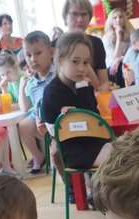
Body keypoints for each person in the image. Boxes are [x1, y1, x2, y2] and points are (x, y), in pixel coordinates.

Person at [41, 32, 114, 171]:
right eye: (75, 61)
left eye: (86, 63)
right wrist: (63, 120)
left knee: (129, 148)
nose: (82, 68)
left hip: (97, 142)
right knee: (121, 156)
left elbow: (94, 116)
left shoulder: (84, 85)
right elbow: (49, 128)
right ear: (60, 60)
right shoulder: (52, 92)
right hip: (75, 151)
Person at [19, 30, 55, 174]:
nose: (33, 59)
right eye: (28, 55)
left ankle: (53, 156)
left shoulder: (57, 74)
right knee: (23, 125)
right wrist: (22, 86)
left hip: (55, 115)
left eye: (38, 53)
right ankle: (37, 156)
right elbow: (25, 108)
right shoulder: (31, 82)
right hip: (38, 116)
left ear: (51, 52)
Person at [55, 0, 111, 91]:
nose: (80, 19)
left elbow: (104, 82)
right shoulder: (55, 45)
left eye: (84, 14)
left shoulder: (96, 43)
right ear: (65, 17)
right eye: (74, 14)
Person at [103, 8, 131, 87]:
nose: (118, 20)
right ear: (111, 21)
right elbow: (114, 58)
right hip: (112, 70)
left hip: (126, 66)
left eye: (120, 17)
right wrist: (119, 37)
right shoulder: (106, 38)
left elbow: (131, 55)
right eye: (115, 18)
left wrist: (120, 59)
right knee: (119, 67)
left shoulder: (129, 35)